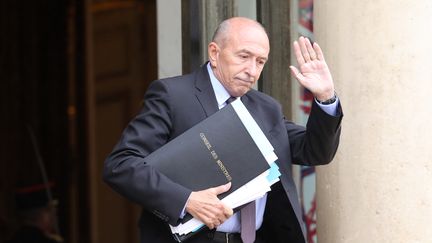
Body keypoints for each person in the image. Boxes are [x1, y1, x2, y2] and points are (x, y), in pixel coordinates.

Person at [103, 17, 342, 243]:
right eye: (244, 56)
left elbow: (315, 151)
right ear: (214, 53)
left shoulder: (266, 108)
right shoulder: (172, 96)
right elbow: (121, 165)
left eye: (260, 62)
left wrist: (325, 97)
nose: (252, 70)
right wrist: (187, 200)